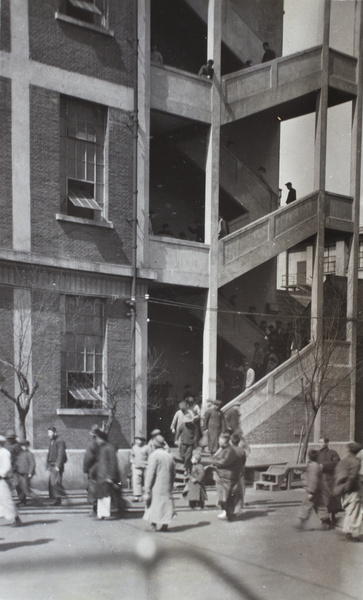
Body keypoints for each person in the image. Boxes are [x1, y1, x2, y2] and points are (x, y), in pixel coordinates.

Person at [143, 434, 176, 532]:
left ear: (154, 445)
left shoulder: (154, 456)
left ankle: (153, 525)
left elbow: (150, 473)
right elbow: (174, 472)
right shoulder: (169, 456)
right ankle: (165, 525)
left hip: (156, 484)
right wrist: (171, 483)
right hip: (167, 484)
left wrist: (147, 488)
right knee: (166, 503)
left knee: (154, 504)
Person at [296, 448, 332, 530]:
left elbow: (313, 479)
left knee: (307, 505)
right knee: (319, 506)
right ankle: (326, 522)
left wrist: (311, 492)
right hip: (317, 489)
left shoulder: (313, 466)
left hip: (313, 490)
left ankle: (301, 523)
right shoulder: (315, 465)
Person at [334, 442, 362, 541]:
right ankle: (349, 532)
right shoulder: (355, 461)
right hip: (352, 489)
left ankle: (346, 529)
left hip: (342, 488)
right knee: (354, 511)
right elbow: (353, 476)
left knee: (349, 510)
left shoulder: (344, 460)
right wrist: (348, 487)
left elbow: (338, 472)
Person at [94, 428, 123, 519]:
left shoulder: (109, 448)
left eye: (98, 438)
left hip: (107, 476)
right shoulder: (103, 448)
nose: (97, 440)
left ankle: (106, 514)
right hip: (102, 476)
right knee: (102, 495)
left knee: (107, 495)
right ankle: (101, 514)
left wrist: (110, 477)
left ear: (102, 438)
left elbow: (113, 463)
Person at [212, 433, 238, 521]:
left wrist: (214, 462)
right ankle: (225, 511)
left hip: (226, 476)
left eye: (219, 440)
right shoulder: (222, 449)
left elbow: (225, 461)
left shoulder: (230, 450)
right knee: (221, 495)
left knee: (226, 496)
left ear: (224, 441)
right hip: (220, 475)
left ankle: (229, 514)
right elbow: (216, 458)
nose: (218, 442)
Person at [316, 436, 340, 525]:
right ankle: (325, 519)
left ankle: (333, 515)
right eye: (319, 442)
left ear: (326, 443)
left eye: (322, 442)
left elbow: (336, 462)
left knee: (331, 498)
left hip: (330, 479)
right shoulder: (317, 453)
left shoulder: (332, 453)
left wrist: (324, 465)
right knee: (321, 500)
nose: (320, 444)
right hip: (320, 479)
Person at [0, 435, 22, 527]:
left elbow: (7, 466)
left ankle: (16, 519)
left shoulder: (4, 452)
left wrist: (1, 474)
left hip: (1, 479)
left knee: (6, 499)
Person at [46, 426, 68, 506]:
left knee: (55, 483)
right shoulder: (52, 441)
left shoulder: (60, 441)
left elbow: (61, 454)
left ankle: (63, 497)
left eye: (50, 433)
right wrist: (47, 464)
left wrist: (58, 466)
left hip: (57, 465)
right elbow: (49, 453)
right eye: (48, 433)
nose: (48, 435)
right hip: (52, 464)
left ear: (55, 432)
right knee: (53, 483)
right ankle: (58, 499)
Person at [83, 424, 100, 513]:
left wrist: (86, 468)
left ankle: (95, 507)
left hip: (94, 469)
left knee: (93, 487)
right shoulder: (105, 442)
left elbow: (88, 457)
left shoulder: (92, 444)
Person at [230, 432, 247, 517]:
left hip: (230, 473)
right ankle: (238, 510)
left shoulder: (228, 450)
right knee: (239, 491)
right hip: (239, 473)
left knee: (231, 491)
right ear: (239, 441)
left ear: (231, 441)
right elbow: (244, 461)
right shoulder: (242, 451)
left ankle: (230, 509)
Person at [15, 439, 36, 506]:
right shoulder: (19, 454)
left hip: (25, 474)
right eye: (22, 446)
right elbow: (17, 463)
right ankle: (22, 501)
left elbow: (32, 463)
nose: (23, 447)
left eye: (25, 446)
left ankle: (36, 499)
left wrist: (30, 472)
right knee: (19, 487)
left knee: (25, 487)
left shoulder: (29, 454)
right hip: (19, 473)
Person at [130, 435, 148, 502]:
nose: (138, 441)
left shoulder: (147, 448)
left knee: (147, 481)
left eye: (139, 440)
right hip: (136, 466)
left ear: (143, 441)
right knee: (136, 481)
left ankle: (147, 496)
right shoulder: (134, 448)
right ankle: (136, 497)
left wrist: (149, 464)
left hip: (146, 466)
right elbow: (132, 456)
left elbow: (150, 456)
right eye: (136, 440)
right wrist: (132, 463)